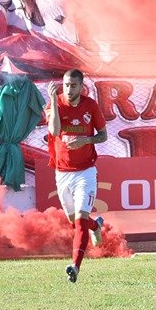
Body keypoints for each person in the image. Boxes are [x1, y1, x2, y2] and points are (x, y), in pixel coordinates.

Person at [46, 69, 108, 283]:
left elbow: (103, 135)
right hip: (62, 173)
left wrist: (86, 141)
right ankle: (96, 226)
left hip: (86, 172)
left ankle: (75, 267)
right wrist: (53, 101)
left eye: (73, 85)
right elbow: (54, 131)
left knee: (80, 223)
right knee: (76, 222)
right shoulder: (56, 104)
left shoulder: (90, 106)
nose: (69, 89)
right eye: (66, 85)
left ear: (81, 87)